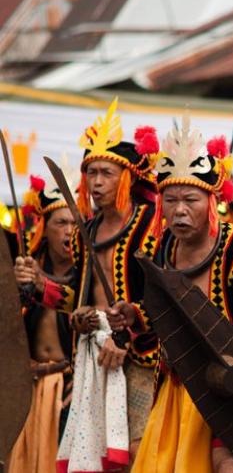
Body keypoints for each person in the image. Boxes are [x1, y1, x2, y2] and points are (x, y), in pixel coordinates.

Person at [106, 115, 233, 473]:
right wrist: (135, 315)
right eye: (170, 200)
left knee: (227, 466)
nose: (179, 210)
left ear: (211, 201)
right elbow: (162, 314)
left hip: (232, 392)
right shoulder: (164, 249)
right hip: (177, 388)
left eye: (190, 199)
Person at [14, 98, 162, 464]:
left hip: (139, 354)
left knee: (137, 451)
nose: (96, 182)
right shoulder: (87, 230)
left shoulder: (150, 226)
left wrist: (126, 338)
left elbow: (166, 299)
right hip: (91, 353)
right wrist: (40, 284)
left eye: (105, 173)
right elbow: (76, 295)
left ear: (126, 176)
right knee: (93, 455)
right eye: (91, 172)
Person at [8, 171, 77, 473]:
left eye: (76, 223)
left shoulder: (88, 274)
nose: (69, 231)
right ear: (44, 227)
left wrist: (41, 283)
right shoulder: (24, 266)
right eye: (61, 222)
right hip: (28, 385)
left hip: (68, 387)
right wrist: (15, 287)